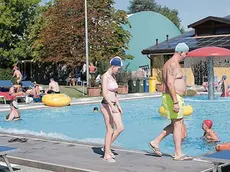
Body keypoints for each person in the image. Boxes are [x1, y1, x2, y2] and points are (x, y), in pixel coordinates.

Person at [149, 43, 193, 160]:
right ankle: (178, 154)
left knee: (177, 124)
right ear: (180, 52)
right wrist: (175, 101)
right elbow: (170, 83)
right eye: (186, 53)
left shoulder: (171, 63)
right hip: (173, 97)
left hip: (174, 97)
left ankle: (156, 141)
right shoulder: (173, 64)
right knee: (178, 125)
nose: (186, 56)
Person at [100, 56, 124, 163]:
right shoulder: (105, 77)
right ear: (113, 66)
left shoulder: (113, 76)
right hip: (106, 105)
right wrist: (111, 105)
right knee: (110, 129)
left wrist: (118, 105)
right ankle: (106, 154)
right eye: (118, 69)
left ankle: (106, 147)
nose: (119, 71)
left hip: (114, 105)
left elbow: (114, 93)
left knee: (120, 128)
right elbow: (105, 93)